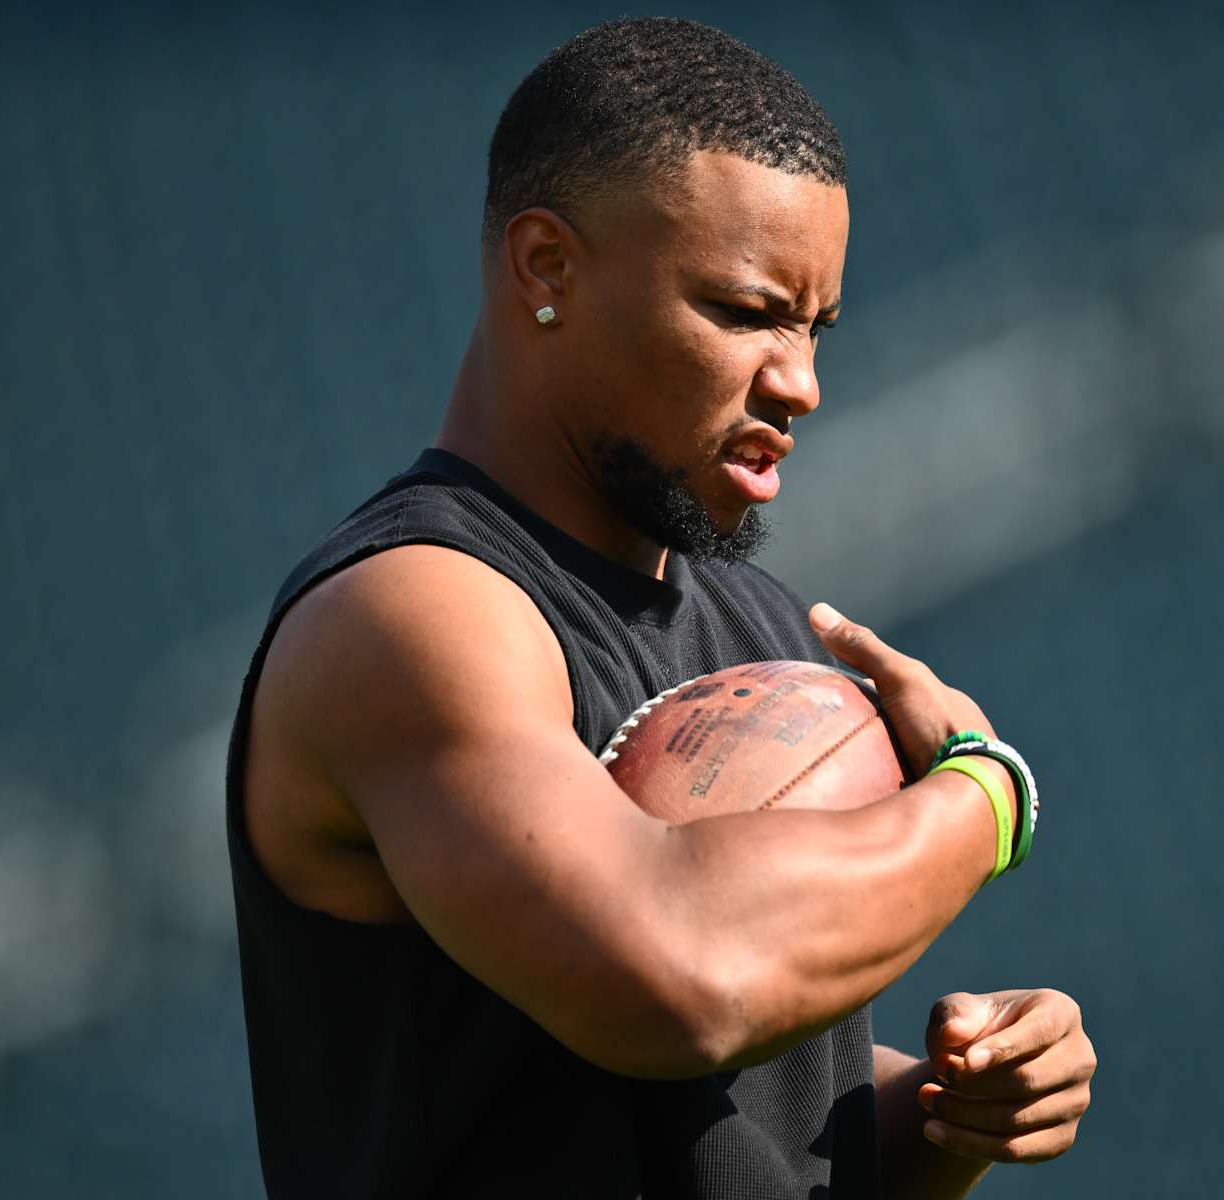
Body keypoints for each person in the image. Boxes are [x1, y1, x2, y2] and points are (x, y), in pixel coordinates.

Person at [226, 17, 1095, 1198]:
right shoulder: (413, 615)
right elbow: (687, 980)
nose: (800, 383)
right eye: (745, 313)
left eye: (813, 326)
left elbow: (739, 1134)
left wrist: (951, 1108)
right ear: (547, 270)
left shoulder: (768, 626)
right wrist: (987, 795)